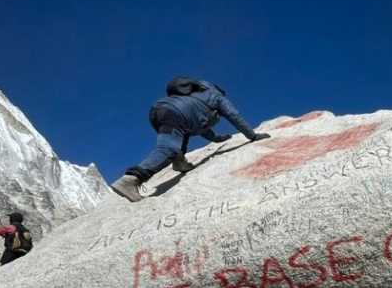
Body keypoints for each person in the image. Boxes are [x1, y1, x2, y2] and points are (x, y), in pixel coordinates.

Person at [110, 77, 272, 202]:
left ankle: (180, 162)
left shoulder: (191, 97)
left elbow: (200, 124)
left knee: (177, 138)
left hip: (160, 111)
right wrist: (253, 136)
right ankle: (132, 179)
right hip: (177, 115)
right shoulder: (216, 96)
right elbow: (233, 115)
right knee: (168, 148)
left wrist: (215, 139)